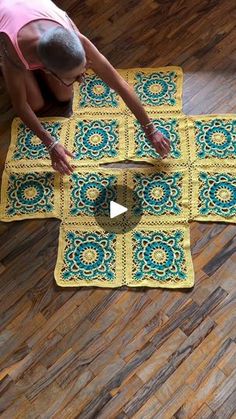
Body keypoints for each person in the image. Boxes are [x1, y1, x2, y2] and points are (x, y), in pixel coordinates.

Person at [0, 0, 171, 176]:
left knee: (64, 95)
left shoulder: (76, 38)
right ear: (48, 70)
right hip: (11, 29)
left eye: (84, 69)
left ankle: (50, 72)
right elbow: (20, 106)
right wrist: (50, 143)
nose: (81, 80)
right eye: (75, 77)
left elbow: (119, 84)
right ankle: (26, 71)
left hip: (35, 17)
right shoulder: (15, 54)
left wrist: (151, 129)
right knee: (34, 103)